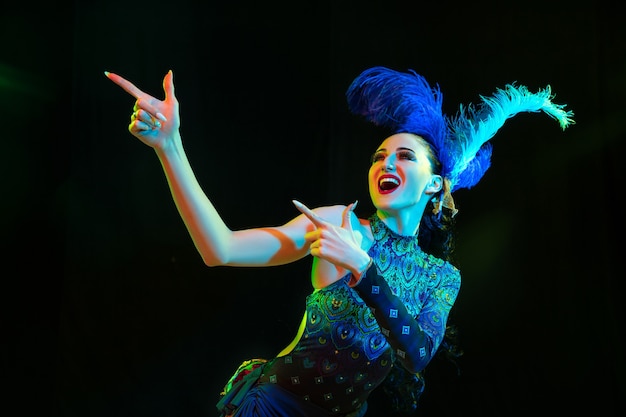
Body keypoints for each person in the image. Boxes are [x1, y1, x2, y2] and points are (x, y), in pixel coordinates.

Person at [106, 66, 574, 416]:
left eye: (405, 157)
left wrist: (364, 270)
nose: (385, 164)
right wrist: (170, 147)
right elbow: (220, 249)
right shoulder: (339, 224)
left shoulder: (441, 277)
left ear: (436, 186)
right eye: (379, 156)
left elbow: (417, 354)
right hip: (273, 407)